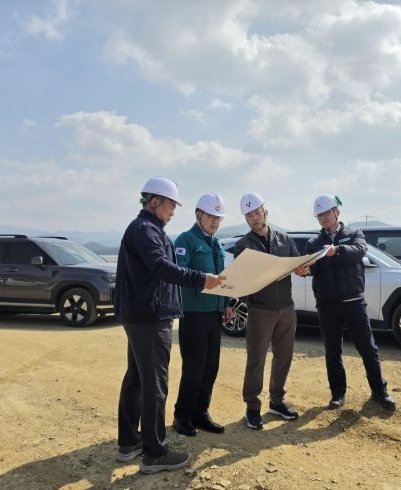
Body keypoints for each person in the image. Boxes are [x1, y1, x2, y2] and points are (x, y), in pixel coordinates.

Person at [115, 177, 225, 474]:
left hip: (142, 315)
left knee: (138, 378)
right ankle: (154, 453)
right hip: (150, 317)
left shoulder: (145, 228)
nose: (173, 211)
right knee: (154, 383)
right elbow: (163, 268)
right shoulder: (145, 230)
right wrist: (202, 279)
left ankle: (129, 441)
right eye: (171, 205)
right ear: (155, 201)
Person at [304, 195, 395, 411]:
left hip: (354, 302)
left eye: (327, 213)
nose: (323, 218)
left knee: (368, 348)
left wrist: (337, 250)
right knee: (332, 352)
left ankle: (380, 391)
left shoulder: (354, 234)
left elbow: (359, 251)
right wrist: (303, 269)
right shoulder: (313, 243)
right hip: (327, 305)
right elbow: (311, 268)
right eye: (319, 215)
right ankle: (337, 394)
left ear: (337, 212)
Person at [234, 192, 307, 430]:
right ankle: (252, 407)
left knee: (284, 356)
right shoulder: (243, 245)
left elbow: (298, 264)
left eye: (257, 212)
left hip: (286, 307)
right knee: (256, 359)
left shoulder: (284, 239)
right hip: (260, 310)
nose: (254, 218)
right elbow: (241, 280)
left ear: (265, 212)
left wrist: (303, 269)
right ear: (245, 218)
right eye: (249, 215)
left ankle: (277, 401)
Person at [172, 193, 232, 437]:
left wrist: (226, 303)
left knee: (210, 367)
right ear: (198, 215)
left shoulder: (215, 243)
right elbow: (179, 272)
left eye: (219, 218)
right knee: (194, 368)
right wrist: (202, 281)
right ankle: (182, 416)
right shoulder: (186, 240)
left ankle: (200, 412)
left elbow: (222, 277)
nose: (215, 222)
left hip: (214, 313)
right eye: (211, 216)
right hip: (194, 313)